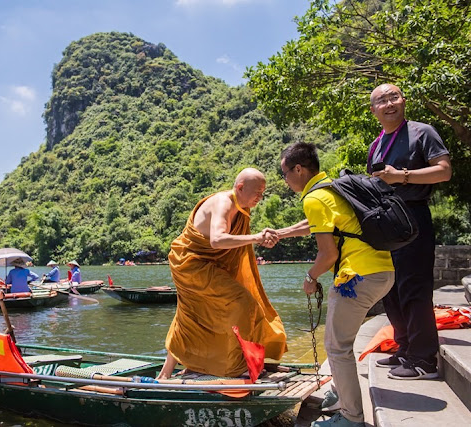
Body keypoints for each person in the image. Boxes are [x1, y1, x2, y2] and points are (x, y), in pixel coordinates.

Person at [277, 142, 395, 427]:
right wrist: (281, 233)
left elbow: (327, 254)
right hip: (383, 269)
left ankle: (351, 418)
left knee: (337, 347)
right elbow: (318, 225)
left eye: (285, 174)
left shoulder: (313, 199)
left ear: (298, 169)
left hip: (357, 277)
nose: (285, 180)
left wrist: (310, 277)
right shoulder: (331, 188)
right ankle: (340, 394)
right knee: (340, 343)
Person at [156, 167, 286, 380]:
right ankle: (240, 366)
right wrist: (256, 238)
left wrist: (266, 237)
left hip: (209, 264)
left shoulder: (242, 208)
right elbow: (217, 239)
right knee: (244, 303)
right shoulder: (224, 203)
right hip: (191, 263)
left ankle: (170, 370)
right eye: (257, 192)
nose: (260, 198)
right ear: (240, 187)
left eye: (263, 193)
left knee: (191, 313)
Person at [367, 83, 451, 380]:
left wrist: (402, 176)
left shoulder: (422, 132)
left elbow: (444, 170)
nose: (389, 104)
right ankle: (404, 347)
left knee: (415, 288)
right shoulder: (376, 145)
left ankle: (424, 360)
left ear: (403, 101)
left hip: (414, 217)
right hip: (388, 223)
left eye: (394, 97)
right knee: (391, 289)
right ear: (373, 109)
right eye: (382, 100)